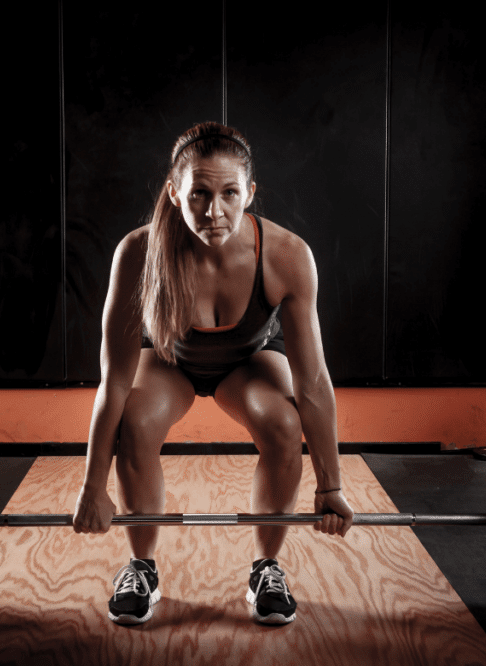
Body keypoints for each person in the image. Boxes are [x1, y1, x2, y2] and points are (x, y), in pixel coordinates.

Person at [72, 121, 354, 626]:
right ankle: (142, 567)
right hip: (167, 360)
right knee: (135, 423)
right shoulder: (138, 253)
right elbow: (113, 380)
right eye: (198, 193)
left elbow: (311, 383)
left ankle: (266, 567)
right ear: (173, 193)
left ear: (250, 192)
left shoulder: (288, 255)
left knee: (285, 424)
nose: (214, 210)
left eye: (229, 193)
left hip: (247, 362)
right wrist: (93, 486)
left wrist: (330, 485)